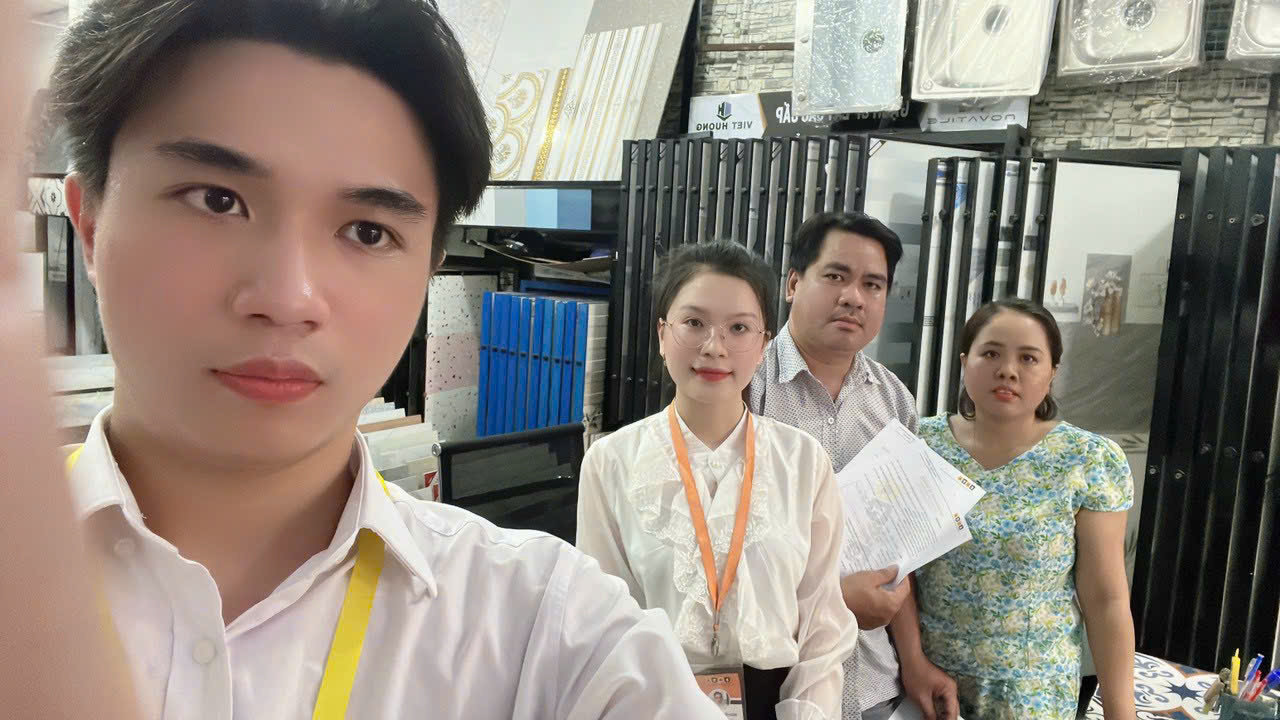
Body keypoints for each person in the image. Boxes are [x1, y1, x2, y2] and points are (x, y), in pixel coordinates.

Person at [17, 1, 724, 717]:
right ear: (89, 223)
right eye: (218, 200)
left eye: (366, 231)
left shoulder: (550, 638)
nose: (288, 299)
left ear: (428, 272)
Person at [577, 242, 857, 720]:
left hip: (779, 705)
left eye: (739, 328)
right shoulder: (611, 462)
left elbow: (822, 624)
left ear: (764, 344)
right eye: (693, 323)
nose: (714, 346)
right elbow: (602, 622)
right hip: (655, 705)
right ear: (662, 334)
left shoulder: (803, 461)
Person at [749, 212, 959, 720]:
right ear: (794, 284)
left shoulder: (894, 401)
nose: (854, 297)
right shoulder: (747, 386)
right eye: (836, 276)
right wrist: (833, 600)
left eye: (873, 285)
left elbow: (899, 551)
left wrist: (914, 661)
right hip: (773, 681)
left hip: (872, 684)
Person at [914, 299, 1136, 720]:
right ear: (964, 362)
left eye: (1029, 358)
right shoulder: (920, 445)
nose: (1008, 371)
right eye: (990, 353)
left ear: (1052, 373)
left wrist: (1120, 712)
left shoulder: (1086, 459)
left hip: (1033, 697)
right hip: (925, 686)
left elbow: (1105, 599)